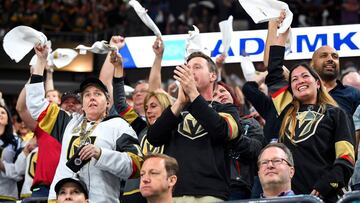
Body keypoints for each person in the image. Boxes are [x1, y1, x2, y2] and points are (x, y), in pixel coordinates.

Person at [244, 22, 355, 201]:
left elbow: (346, 158)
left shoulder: (337, 114)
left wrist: (326, 185)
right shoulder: (286, 109)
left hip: (322, 197)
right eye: (294, 79)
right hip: (286, 197)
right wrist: (281, 35)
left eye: (305, 76)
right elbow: (274, 72)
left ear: (317, 82)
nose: (299, 81)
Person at [25, 44, 143, 202]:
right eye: (87, 95)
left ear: (108, 102)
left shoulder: (119, 126)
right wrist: (40, 62)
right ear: (83, 102)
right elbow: (36, 105)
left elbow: (136, 166)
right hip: (61, 199)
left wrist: (101, 154)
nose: (91, 97)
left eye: (97, 94)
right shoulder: (68, 122)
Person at [147, 51, 242, 202]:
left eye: (197, 67)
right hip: (173, 194)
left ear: (213, 76)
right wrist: (179, 103)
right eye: (188, 68)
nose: (190, 72)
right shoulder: (175, 111)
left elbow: (222, 131)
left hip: (210, 194)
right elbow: (153, 138)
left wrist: (193, 94)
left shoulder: (226, 109)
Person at [110, 36, 171, 203]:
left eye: (153, 107)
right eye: (146, 108)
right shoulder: (140, 127)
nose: (149, 111)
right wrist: (118, 70)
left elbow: (155, 90)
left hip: (160, 191)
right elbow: (121, 105)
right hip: (132, 192)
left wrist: (158, 58)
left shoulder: (174, 128)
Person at [213, 81, 266, 200]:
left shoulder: (250, 122)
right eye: (214, 94)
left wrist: (230, 133)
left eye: (223, 91)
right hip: (212, 187)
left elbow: (256, 149)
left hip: (241, 187)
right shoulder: (202, 126)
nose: (220, 94)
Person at [0, 104, 22, 201]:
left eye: (3, 112)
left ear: (8, 119)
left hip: (7, 194)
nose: (0, 115)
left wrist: (2, 166)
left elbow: (20, 171)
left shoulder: (16, 141)